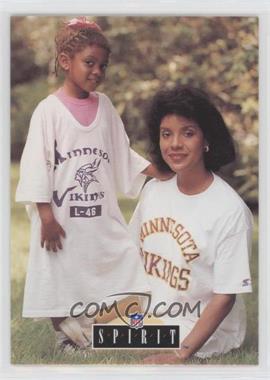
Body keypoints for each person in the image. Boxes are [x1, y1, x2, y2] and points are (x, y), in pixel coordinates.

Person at [15, 16, 168, 354]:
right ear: (66, 62)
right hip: (60, 218)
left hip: (99, 214)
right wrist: (46, 216)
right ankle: (65, 337)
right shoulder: (48, 111)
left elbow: (121, 153)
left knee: (125, 257)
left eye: (103, 65)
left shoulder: (105, 107)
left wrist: (155, 171)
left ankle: (93, 328)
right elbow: (36, 163)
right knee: (61, 271)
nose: (97, 71)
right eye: (90, 63)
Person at [129, 85, 253, 363]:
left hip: (201, 327)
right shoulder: (154, 191)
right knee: (85, 317)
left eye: (188, 133)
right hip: (155, 312)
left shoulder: (229, 210)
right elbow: (131, 254)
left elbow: (225, 296)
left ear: (206, 139)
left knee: (100, 337)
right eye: (166, 134)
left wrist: (180, 354)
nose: (174, 144)